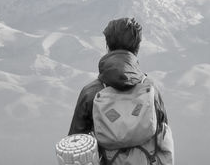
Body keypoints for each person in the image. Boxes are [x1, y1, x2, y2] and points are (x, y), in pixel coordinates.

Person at [68, 17, 174, 165]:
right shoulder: (151, 90)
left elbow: (74, 146)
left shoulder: (90, 92)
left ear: (108, 47)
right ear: (137, 49)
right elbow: (162, 137)